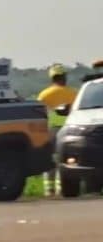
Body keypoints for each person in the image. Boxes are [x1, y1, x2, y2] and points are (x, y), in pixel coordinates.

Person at [37, 64, 78, 196]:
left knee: (50, 160)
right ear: (64, 77)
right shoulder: (73, 93)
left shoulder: (44, 94)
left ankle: (49, 190)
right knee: (67, 159)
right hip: (69, 130)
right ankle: (64, 188)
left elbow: (39, 113)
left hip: (50, 130)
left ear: (52, 78)